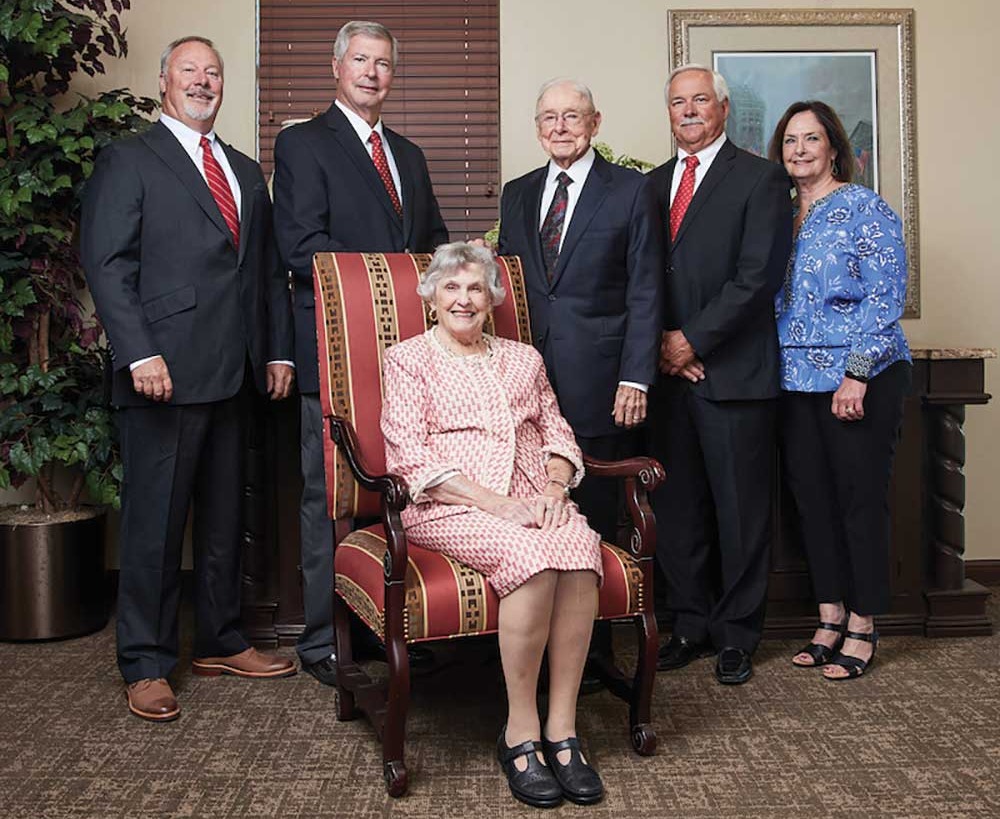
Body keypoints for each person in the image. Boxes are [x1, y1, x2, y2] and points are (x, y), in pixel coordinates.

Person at [80, 36, 296, 722]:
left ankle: (221, 638)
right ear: (164, 80)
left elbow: (261, 272)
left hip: (233, 371)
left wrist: (277, 352)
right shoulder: (129, 159)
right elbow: (107, 262)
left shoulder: (241, 167)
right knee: (154, 522)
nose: (204, 82)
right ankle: (144, 661)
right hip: (162, 372)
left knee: (227, 517)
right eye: (190, 71)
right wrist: (137, 352)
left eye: (213, 73)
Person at [381, 242, 605, 809]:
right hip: (448, 506)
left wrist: (554, 489)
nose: (463, 299)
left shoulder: (523, 358)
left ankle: (563, 729)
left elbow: (557, 431)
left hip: (533, 498)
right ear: (430, 296)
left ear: (492, 300)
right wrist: (497, 505)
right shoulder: (408, 359)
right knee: (532, 557)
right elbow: (408, 458)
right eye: (451, 288)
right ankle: (520, 732)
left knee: (578, 547)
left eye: (475, 288)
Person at [272, 20, 448, 686]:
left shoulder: (409, 153)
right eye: (360, 60)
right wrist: (391, 278)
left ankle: (386, 625)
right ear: (337, 67)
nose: (372, 72)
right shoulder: (302, 144)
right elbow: (300, 245)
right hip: (337, 350)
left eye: (383, 63)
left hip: (409, 359)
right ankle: (324, 639)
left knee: (401, 494)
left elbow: (431, 245)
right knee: (332, 496)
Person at [646, 65, 792, 685]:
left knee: (740, 512)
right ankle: (689, 623)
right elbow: (638, 278)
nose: (688, 111)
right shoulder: (648, 186)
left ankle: (736, 635)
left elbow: (758, 277)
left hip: (732, 375)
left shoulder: (761, 180)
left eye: (699, 100)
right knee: (678, 511)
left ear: (723, 109)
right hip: (665, 378)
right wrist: (659, 346)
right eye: (677, 102)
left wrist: (692, 340)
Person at [768, 101, 912, 680]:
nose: (800, 149)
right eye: (790, 141)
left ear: (832, 147)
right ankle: (828, 617)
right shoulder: (780, 214)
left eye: (811, 139)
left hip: (860, 377)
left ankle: (863, 622)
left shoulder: (863, 207)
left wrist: (856, 372)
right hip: (793, 380)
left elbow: (886, 296)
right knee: (813, 503)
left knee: (858, 501)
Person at [497, 78, 662, 546]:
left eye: (572, 115)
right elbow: (511, 283)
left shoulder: (631, 189)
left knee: (594, 521)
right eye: (550, 117)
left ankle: (596, 622)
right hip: (527, 383)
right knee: (535, 517)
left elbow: (646, 289)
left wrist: (635, 377)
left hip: (601, 382)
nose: (561, 126)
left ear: (595, 122)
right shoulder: (518, 193)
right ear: (537, 128)